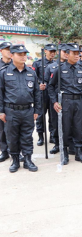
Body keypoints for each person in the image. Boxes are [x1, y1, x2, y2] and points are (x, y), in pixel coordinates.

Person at [0, 44, 41, 173]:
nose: (23, 57)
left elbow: (37, 93)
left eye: (24, 54)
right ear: (12, 55)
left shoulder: (31, 72)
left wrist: (37, 110)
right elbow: (0, 93)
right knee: (12, 137)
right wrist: (1, 111)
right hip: (11, 111)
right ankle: (15, 160)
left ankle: (28, 160)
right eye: (20, 54)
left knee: (27, 136)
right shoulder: (4, 72)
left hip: (28, 110)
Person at [48, 43, 82, 165]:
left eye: (78, 53)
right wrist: (55, 101)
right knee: (65, 128)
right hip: (65, 102)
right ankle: (64, 152)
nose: (77, 56)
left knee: (78, 127)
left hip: (79, 102)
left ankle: (78, 152)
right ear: (67, 54)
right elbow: (50, 86)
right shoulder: (59, 69)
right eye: (74, 54)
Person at [45, 44, 69, 154]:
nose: (66, 54)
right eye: (64, 51)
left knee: (69, 122)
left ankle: (69, 143)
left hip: (69, 99)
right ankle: (57, 144)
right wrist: (54, 100)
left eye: (68, 52)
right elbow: (48, 85)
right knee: (55, 122)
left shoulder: (74, 66)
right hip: (56, 98)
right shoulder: (52, 67)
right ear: (59, 52)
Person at [32, 43, 56, 146]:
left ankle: (52, 136)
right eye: (50, 51)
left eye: (54, 52)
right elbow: (33, 78)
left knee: (52, 115)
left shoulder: (56, 64)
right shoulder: (37, 63)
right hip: (41, 93)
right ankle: (41, 137)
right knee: (40, 115)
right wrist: (38, 85)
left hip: (52, 93)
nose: (52, 53)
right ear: (45, 51)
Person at [0, 42, 12, 162]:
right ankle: (4, 151)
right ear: (1, 51)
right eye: (6, 49)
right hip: (1, 100)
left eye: (10, 49)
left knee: (15, 129)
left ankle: (17, 151)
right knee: (2, 129)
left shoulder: (16, 65)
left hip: (13, 102)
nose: (9, 51)